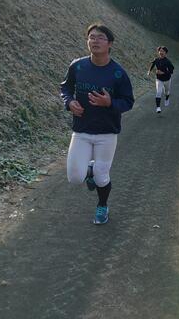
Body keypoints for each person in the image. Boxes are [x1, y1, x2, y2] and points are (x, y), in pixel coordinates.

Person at [60, 23, 134, 225]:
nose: (95, 40)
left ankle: (102, 206)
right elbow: (65, 88)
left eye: (100, 37)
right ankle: (89, 171)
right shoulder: (78, 66)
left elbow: (128, 102)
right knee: (75, 177)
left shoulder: (118, 73)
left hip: (106, 132)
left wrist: (109, 103)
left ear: (110, 44)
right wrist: (69, 102)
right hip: (81, 130)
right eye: (91, 37)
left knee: (102, 176)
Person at [147, 46, 175, 113]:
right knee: (158, 92)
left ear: (166, 53)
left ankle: (167, 98)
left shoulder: (168, 61)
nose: (161, 52)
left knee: (166, 92)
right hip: (159, 79)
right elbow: (153, 64)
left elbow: (171, 71)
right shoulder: (156, 60)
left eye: (163, 51)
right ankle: (158, 108)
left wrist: (163, 72)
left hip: (167, 79)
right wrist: (149, 71)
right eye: (160, 51)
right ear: (158, 52)